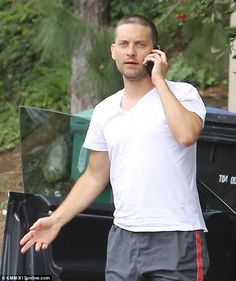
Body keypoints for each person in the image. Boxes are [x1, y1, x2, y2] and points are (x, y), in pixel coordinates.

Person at [20, 14, 209, 281]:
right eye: (123, 44)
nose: (131, 51)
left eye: (140, 44)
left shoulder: (182, 94)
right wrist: (57, 219)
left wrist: (160, 82)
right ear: (113, 51)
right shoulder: (104, 110)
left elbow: (187, 135)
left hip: (177, 235)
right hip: (123, 239)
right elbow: (95, 175)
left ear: (155, 52)